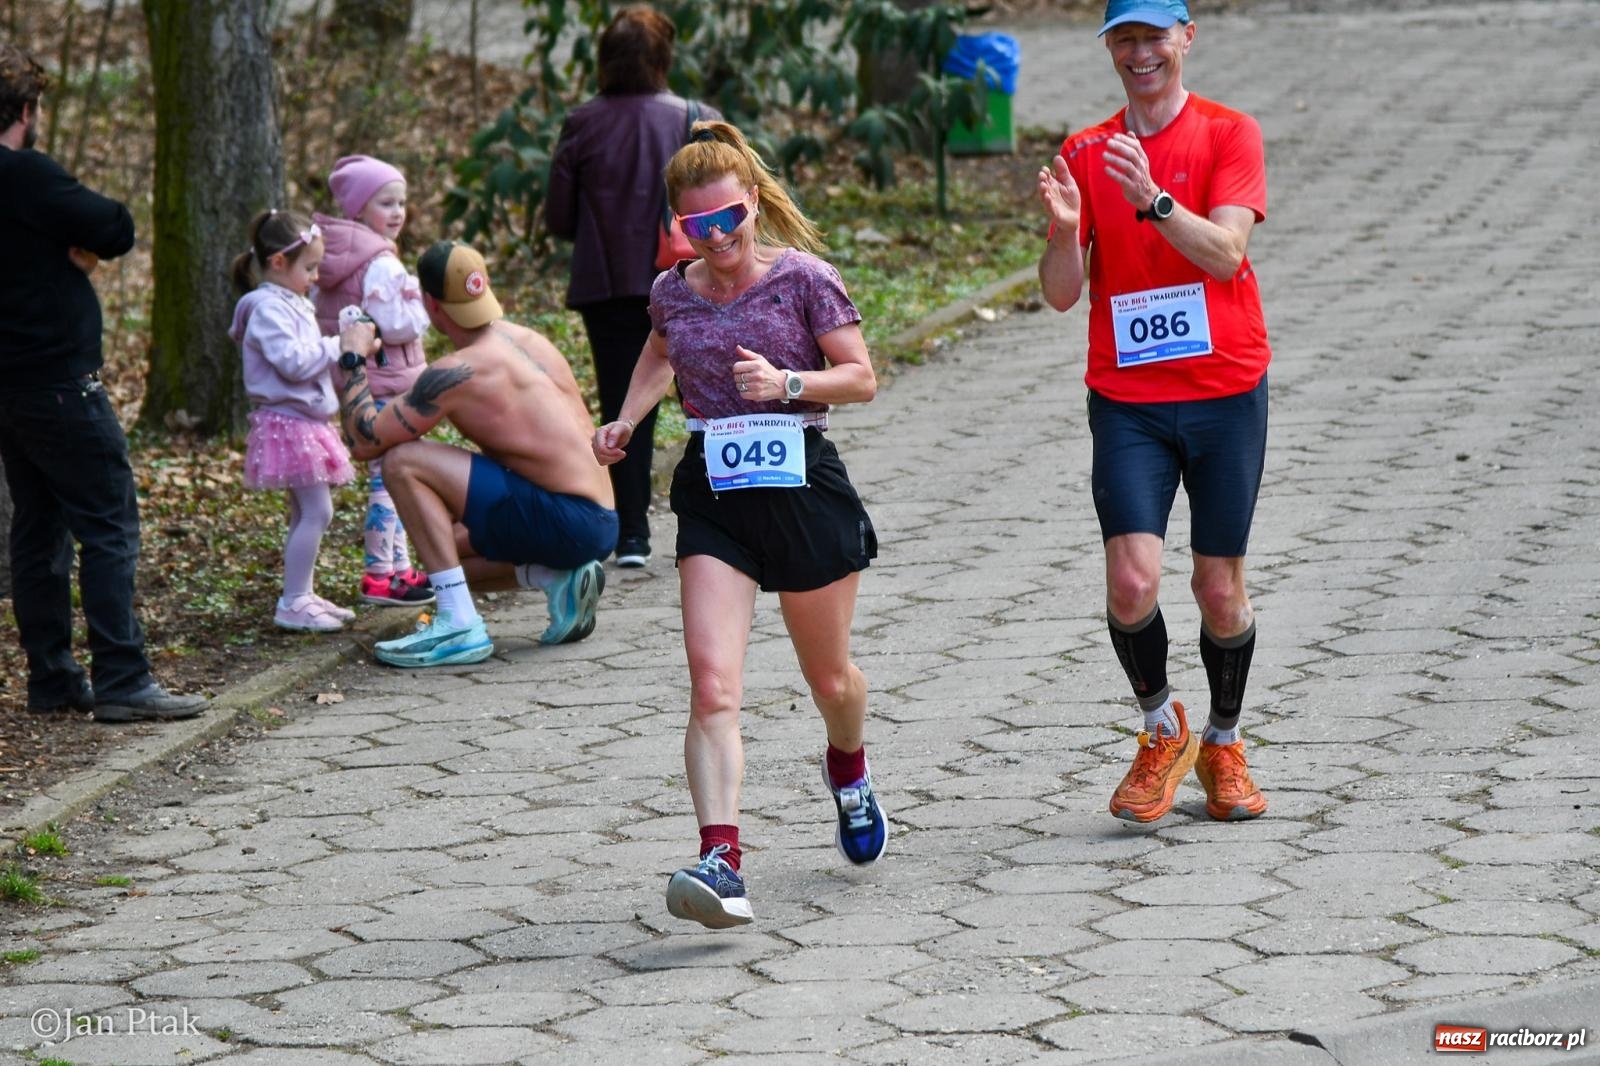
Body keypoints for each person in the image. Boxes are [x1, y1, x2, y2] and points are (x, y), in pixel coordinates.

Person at [592, 121, 887, 930]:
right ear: (678, 229)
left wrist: (788, 381)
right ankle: (722, 859)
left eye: (730, 219)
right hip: (714, 493)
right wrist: (624, 419)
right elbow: (661, 350)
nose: (718, 238)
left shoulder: (804, 280)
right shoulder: (671, 291)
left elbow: (861, 378)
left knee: (831, 683)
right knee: (713, 684)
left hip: (802, 483)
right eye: (699, 227)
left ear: (753, 204)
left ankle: (850, 768)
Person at [1036, 0, 1271, 823]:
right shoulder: (1086, 151)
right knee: (1133, 582)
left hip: (1224, 393)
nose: (1140, 54)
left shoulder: (1229, 134)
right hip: (1130, 399)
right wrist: (1067, 233)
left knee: (1218, 591)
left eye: (1153, 37)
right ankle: (1161, 725)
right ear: (1110, 49)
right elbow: (1062, 296)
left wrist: (1157, 202)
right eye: (1123, 39)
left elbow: (1229, 251)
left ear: (1186, 38)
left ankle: (1224, 741)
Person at [0, 45, 205, 724]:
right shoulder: (24, 174)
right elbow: (114, 225)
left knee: (37, 529)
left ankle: (53, 678)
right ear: (25, 111)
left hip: (9, 387)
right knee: (109, 523)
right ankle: (122, 675)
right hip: (57, 379)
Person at [334, 240, 617, 668]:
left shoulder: (458, 371)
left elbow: (365, 441)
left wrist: (352, 356)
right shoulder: (527, 340)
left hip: (568, 519)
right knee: (441, 556)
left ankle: (459, 625)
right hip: (598, 520)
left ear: (431, 304)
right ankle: (557, 576)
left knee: (402, 462)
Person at [546, 5, 721, 570]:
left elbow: (558, 216)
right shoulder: (696, 117)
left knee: (625, 402)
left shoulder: (581, 123)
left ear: (605, 61)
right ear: (664, 58)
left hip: (608, 286)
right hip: (693, 277)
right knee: (715, 390)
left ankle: (631, 535)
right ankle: (725, 516)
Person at [230, 208, 374, 634]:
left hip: (306, 419)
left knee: (304, 511)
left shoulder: (289, 302)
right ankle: (292, 601)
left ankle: (302, 593)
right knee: (318, 511)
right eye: (309, 268)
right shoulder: (266, 310)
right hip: (288, 423)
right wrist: (340, 345)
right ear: (278, 263)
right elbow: (294, 362)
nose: (315, 277)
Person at [312, 154, 435, 609]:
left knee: (390, 476)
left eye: (401, 202)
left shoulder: (334, 260)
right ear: (359, 209)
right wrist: (422, 306)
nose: (398, 212)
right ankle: (381, 574)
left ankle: (398, 567)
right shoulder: (379, 262)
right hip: (388, 384)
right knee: (390, 480)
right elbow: (397, 324)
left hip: (362, 384)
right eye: (386, 202)